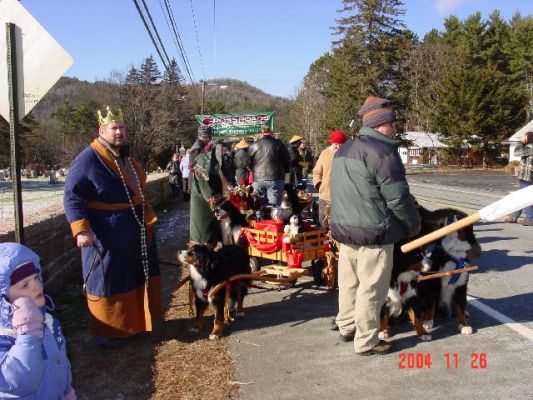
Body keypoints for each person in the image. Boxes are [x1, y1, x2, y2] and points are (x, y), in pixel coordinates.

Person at [63, 106, 162, 345]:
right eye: (114, 128)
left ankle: (134, 325)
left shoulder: (123, 156)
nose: (119, 132)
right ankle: (107, 333)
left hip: (132, 230)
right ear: (102, 130)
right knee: (108, 280)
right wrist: (81, 230)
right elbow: (72, 195)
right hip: (107, 233)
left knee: (132, 277)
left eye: (122, 127)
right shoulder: (87, 159)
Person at [330, 96, 421, 356]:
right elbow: (398, 198)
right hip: (374, 233)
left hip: (346, 231)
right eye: (392, 123)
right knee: (371, 289)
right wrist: (413, 225)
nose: (395, 128)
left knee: (348, 283)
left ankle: (347, 326)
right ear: (380, 124)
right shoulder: (383, 153)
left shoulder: (345, 148)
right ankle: (366, 341)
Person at [0, 242, 76, 399]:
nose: (37, 286)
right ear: (3, 298)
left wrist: (67, 392)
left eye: (36, 277)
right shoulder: (3, 334)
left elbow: (59, 360)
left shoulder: (47, 319)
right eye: (24, 285)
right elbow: (19, 382)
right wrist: (28, 335)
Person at [190, 136, 228, 245]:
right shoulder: (203, 164)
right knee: (203, 234)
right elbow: (205, 187)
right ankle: (202, 252)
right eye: (221, 150)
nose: (223, 153)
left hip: (207, 201)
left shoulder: (210, 161)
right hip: (202, 203)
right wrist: (217, 207)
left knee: (210, 232)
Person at [312, 130, 347, 229]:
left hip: (342, 196)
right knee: (323, 223)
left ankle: (336, 243)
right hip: (325, 195)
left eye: (341, 144)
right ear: (333, 143)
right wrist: (319, 185)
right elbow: (316, 172)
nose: (338, 147)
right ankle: (324, 243)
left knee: (339, 224)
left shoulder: (347, 154)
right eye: (336, 144)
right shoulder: (324, 153)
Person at [247, 126, 289, 206]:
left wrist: (252, 170)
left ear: (261, 133)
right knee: (274, 207)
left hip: (258, 178)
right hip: (276, 177)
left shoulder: (254, 145)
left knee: (258, 205)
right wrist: (286, 173)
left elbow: (247, 162)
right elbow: (286, 160)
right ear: (271, 133)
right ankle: (273, 217)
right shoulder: (279, 143)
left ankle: (260, 218)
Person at [504, 131, 533, 226]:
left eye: (524, 137)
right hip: (527, 176)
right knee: (520, 196)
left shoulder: (530, 147)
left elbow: (517, 152)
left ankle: (530, 218)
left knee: (525, 197)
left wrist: (521, 142)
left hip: (528, 177)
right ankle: (514, 216)